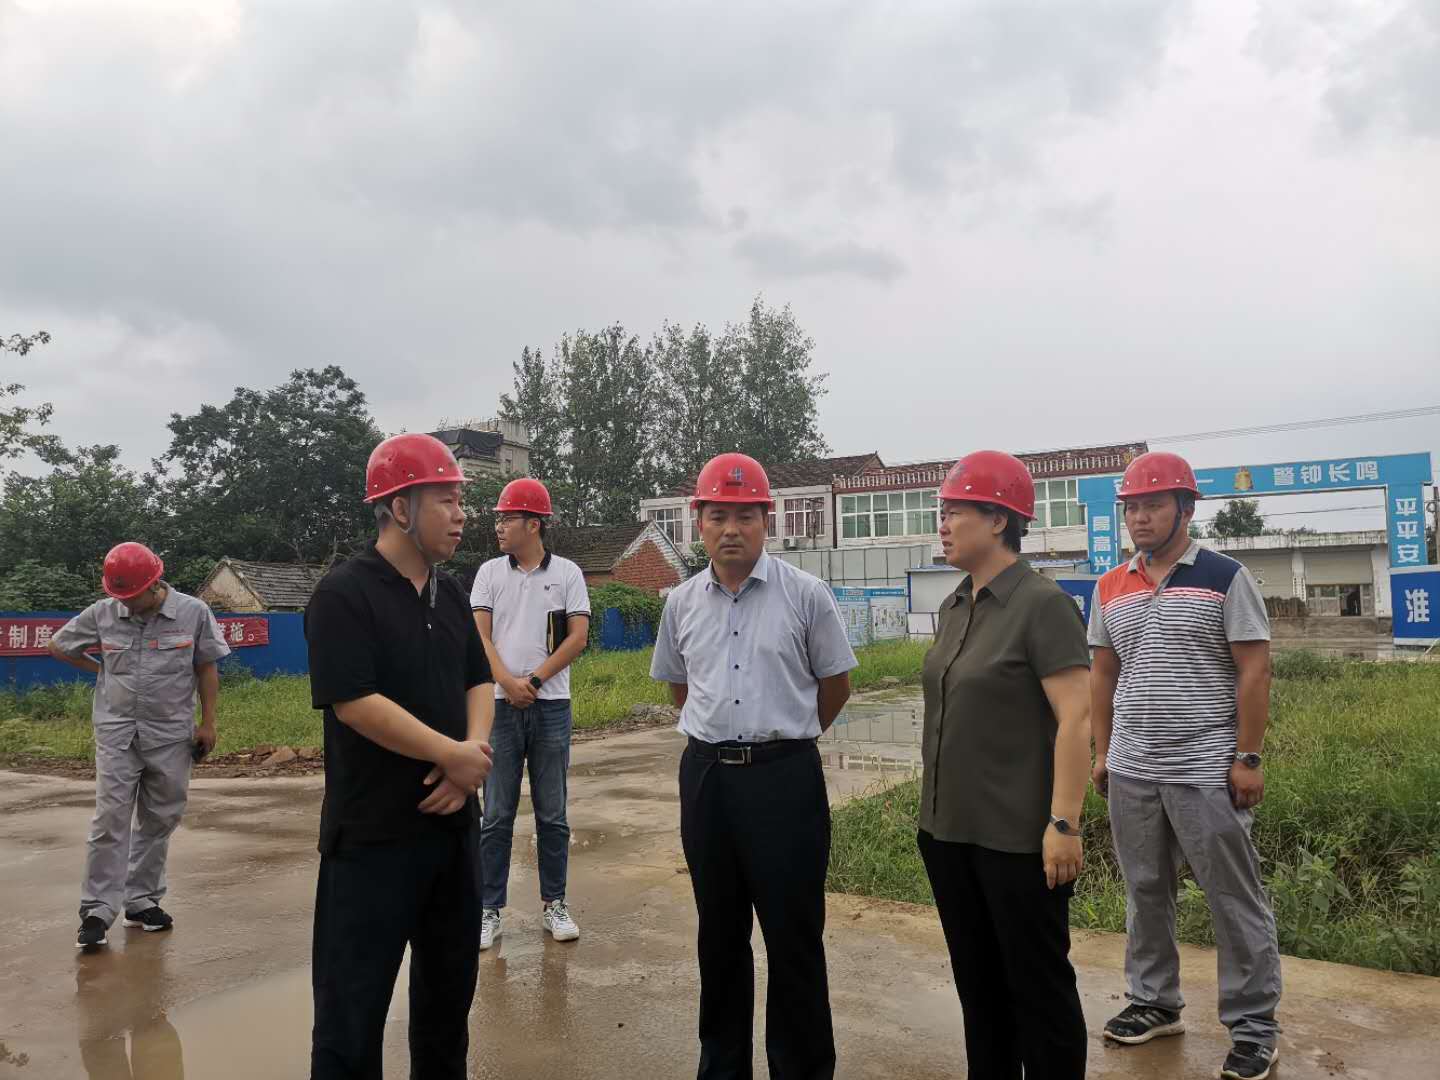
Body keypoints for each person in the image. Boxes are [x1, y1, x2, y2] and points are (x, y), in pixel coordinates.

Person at [651, 452, 857, 1080]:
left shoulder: (806, 595)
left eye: (745, 516)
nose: (731, 529)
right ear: (698, 522)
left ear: (767, 520)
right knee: (718, 934)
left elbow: (835, 685)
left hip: (785, 780)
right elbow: (680, 689)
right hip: (708, 780)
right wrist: (720, 738)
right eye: (718, 516)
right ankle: (722, 1067)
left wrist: (784, 740)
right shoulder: (680, 603)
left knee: (794, 936)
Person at [305, 432, 495, 1080]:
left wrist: (469, 757)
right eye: (447, 500)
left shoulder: (451, 592)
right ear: (399, 508)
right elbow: (354, 702)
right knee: (350, 1021)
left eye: (460, 500)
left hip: (451, 835)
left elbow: (478, 678)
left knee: (446, 1012)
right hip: (372, 840)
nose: (462, 514)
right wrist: (452, 755)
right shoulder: (343, 594)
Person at [1089, 450, 1281, 1080]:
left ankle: (1253, 1026)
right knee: (1145, 889)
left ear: (1186, 508)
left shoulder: (1226, 577)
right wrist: (1102, 752)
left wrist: (1247, 757)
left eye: (1153, 505)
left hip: (1206, 768)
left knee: (1232, 897)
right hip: (1132, 768)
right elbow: (1103, 674)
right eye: (1132, 508)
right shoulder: (1109, 586)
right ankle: (1154, 1001)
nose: (1140, 518)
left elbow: (1255, 668)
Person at [915, 450, 1093, 1080]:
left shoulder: (1042, 604)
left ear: (998, 519)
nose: (942, 525)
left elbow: (1077, 718)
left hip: (1018, 840)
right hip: (948, 833)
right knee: (979, 986)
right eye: (942, 512)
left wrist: (1064, 823)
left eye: (954, 512)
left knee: (1038, 989)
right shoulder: (956, 605)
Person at [50, 541, 230, 950]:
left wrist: (209, 723)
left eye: (132, 597)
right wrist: (100, 670)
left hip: (170, 735)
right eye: (121, 598)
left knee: (160, 818)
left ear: (154, 585)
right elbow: (59, 646)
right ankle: (97, 910)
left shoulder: (193, 612)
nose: (126, 605)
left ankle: (142, 900)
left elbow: (206, 667)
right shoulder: (103, 612)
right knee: (109, 820)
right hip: (117, 733)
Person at [470, 476, 591, 950]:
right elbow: (479, 636)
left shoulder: (568, 574)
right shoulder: (488, 574)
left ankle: (554, 904)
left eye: (507, 518)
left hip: (551, 706)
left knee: (553, 814)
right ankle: (488, 909)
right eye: (499, 519)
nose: (499, 526)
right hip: (500, 708)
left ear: (534, 524)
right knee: (496, 814)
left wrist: (535, 682)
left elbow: (577, 637)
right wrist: (506, 682)